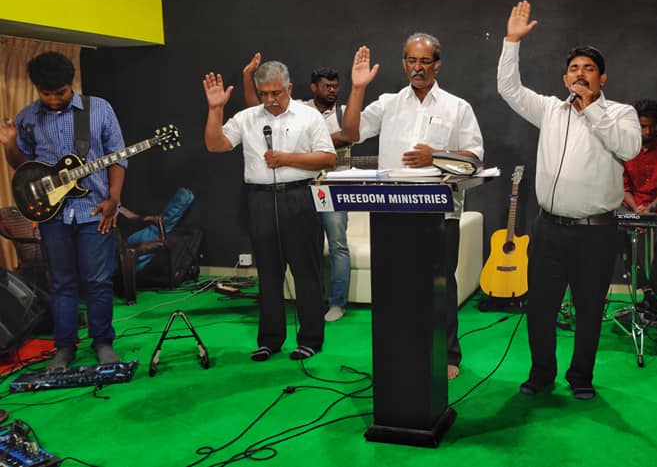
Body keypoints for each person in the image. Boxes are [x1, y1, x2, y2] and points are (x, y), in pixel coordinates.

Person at [497, 1, 642, 399]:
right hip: (549, 228)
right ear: (565, 78)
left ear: (602, 77)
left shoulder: (621, 113)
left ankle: (581, 377)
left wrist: (592, 110)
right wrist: (511, 41)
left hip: (596, 232)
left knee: (589, 308)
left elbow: (629, 148)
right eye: (574, 68)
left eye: (588, 68)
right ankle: (541, 373)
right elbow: (509, 90)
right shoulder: (550, 110)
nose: (580, 73)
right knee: (540, 308)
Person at [341, 33, 484, 380]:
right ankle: (399, 352)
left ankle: (447, 355)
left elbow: (474, 157)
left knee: (440, 287)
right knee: (394, 286)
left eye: (424, 61)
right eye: (411, 61)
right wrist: (357, 88)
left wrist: (435, 156)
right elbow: (351, 132)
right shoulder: (388, 103)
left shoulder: (457, 107)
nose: (417, 68)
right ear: (404, 63)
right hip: (392, 212)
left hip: (439, 213)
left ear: (437, 65)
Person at [202, 60, 336, 361]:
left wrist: (287, 158)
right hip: (260, 200)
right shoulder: (247, 117)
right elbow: (216, 145)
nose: (270, 99)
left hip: (300, 196)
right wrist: (215, 109)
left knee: (307, 273)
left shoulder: (309, 116)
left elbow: (328, 158)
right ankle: (270, 340)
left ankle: (310, 339)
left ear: (289, 88)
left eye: (276, 92)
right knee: (268, 274)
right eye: (263, 93)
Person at [0, 52, 126, 369]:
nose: (54, 100)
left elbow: (117, 156)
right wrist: (10, 144)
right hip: (52, 215)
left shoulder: (99, 109)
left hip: (94, 209)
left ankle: (103, 342)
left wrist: (113, 198)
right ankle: (64, 347)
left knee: (98, 281)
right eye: (47, 94)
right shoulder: (28, 117)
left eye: (61, 92)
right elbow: (23, 168)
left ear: (72, 84)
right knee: (61, 283)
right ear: (36, 89)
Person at [242, 54, 353, 322]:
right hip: (302, 190)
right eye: (326, 86)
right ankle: (297, 312)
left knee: (337, 245)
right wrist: (248, 78)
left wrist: (318, 144)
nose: (332, 90)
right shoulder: (298, 108)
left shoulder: (343, 112)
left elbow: (349, 136)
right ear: (313, 87)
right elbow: (257, 112)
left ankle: (337, 303)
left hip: (332, 189)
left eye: (335, 86)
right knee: (295, 256)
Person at [621, 99, 657, 307]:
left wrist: (651, 208)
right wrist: (637, 211)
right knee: (617, 230)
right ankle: (646, 289)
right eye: (643, 127)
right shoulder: (623, 145)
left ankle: (654, 291)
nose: (647, 132)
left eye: (652, 126)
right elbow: (623, 187)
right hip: (633, 203)